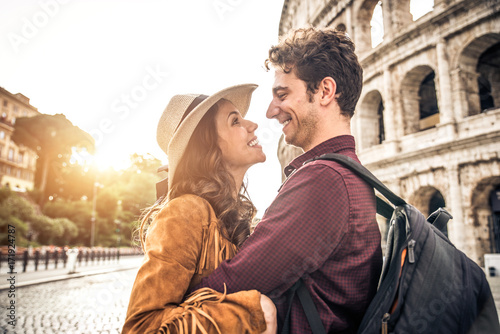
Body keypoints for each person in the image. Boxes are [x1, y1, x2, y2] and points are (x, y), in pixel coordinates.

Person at [193, 27, 383, 333]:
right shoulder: (345, 172)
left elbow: (230, 284)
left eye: (282, 94)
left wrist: (163, 312)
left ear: (324, 91)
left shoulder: (324, 180)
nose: (270, 111)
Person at [122, 84, 277, 334]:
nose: (252, 125)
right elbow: (141, 327)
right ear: (208, 144)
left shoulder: (230, 217)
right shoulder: (185, 211)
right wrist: (250, 313)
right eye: (235, 121)